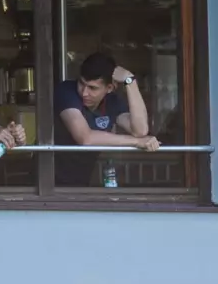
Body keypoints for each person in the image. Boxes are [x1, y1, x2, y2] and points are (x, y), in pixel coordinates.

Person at [54, 52, 160, 186]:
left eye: (92, 88)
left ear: (109, 88)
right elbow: (85, 138)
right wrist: (137, 142)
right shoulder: (66, 91)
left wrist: (130, 81)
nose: (84, 93)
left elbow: (140, 130)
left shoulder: (112, 101)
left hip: (81, 179)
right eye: (81, 83)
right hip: (47, 180)